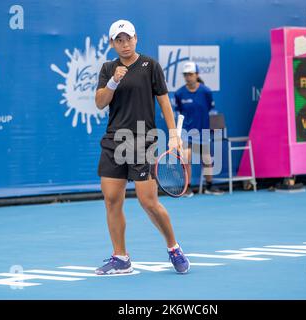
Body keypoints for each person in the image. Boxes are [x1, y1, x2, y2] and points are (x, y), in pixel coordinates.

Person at [94, 19, 190, 275]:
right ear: (112, 43)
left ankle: (174, 248)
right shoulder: (107, 69)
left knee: (149, 202)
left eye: (129, 39)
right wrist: (113, 81)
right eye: (119, 40)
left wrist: (173, 135)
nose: (125, 44)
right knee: (112, 201)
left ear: (136, 38)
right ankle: (121, 257)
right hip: (113, 142)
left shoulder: (150, 66)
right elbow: (100, 103)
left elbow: (164, 102)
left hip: (142, 141)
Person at [174, 61, 224, 197]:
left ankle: (209, 186)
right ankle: (187, 187)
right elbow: (178, 113)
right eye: (185, 75)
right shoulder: (179, 94)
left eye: (190, 74)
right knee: (187, 158)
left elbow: (211, 110)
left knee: (207, 159)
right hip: (186, 132)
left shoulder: (206, 91)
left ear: (196, 74)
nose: (188, 77)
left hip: (203, 131)